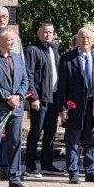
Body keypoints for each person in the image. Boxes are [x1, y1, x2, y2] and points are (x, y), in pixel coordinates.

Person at [56, 27, 94, 184]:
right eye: (82, 37)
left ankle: (90, 171)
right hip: (74, 106)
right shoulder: (67, 59)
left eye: (88, 38)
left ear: (93, 41)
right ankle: (73, 172)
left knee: (92, 140)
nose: (85, 40)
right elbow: (61, 86)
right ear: (77, 40)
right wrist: (62, 108)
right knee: (73, 139)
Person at [0, 28, 31, 187]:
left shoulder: (17, 58)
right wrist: (6, 97)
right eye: (9, 40)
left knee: (15, 142)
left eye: (13, 40)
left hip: (16, 107)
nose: (13, 42)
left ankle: (15, 178)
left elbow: (25, 79)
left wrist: (18, 96)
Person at [23, 21, 60, 175]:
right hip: (40, 98)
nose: (47, 35)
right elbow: (29, 74)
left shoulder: (55, 50)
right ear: (38, 33)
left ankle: (47, 163)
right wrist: (34, 97)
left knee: (51, 132)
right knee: (36, 131)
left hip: (54, 97)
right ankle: (30, 165)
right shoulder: (32, 50)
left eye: (50, 32)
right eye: (45, 32)